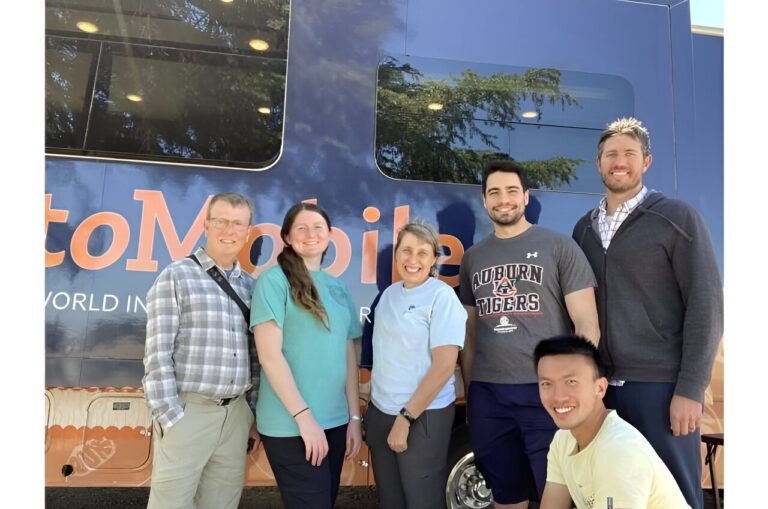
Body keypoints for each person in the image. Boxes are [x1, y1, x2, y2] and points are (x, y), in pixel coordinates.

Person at [572, 117, 723, 509]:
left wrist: (690, 388)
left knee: (672, 495)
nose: (619, 162)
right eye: (611, 155)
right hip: (602, 390)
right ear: (598, 163)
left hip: (660, 388)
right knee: (612, 494)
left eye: (629, 154)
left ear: (646, 162)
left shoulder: (676, 219)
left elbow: (706, 305)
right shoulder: (583, 231)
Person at [459, 159, 600, 509]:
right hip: (489, 396)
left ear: (525, 197)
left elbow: (587, 326)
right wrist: (472, 393)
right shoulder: (473, 258)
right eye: (494, 192)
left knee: (559, 496)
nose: (502, 199)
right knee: (506, 496)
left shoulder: (558, 247)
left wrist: (575, 390)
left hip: (546, 395)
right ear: (485, 201)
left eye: (511, 191)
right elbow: (470, 333)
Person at [142, 192, 260, 509]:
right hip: (189, 411)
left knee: (222, 503)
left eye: (238, 223)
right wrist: (171, 415)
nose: (229, 230)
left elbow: (256, 358)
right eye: (221, 221)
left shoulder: (251, 287)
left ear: (248, 232)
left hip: (235, 415)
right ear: (206, 225)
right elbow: (157, 355)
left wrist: (251, 413)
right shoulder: (177, 276)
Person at [250, 202, 362, 509]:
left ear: (329, 235)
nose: (310, 234)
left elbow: (347, 353)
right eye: (301, 228)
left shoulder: (338, 287)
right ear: (286, 237)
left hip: (336, 422)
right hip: (291, 425)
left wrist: (353, 418)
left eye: (317, 227)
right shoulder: (273, 281)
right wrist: (305, 419)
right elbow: (270, 356)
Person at [364, 222, 467, 509]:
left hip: (421, 418)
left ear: (435, 258)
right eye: (406, 250)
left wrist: (405, 418)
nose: (413, 260)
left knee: (421, 500)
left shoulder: (441, 297)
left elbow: (444, 366)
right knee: (391, 500)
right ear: (396, 254)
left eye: (423, 253)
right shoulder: (388, 295)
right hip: (382, 412)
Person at [534, 334, 690, 509]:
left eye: (571, 382)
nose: (558, 396)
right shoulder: (563, 440)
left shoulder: (618, 450)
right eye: (547, 384)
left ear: (600, 388)